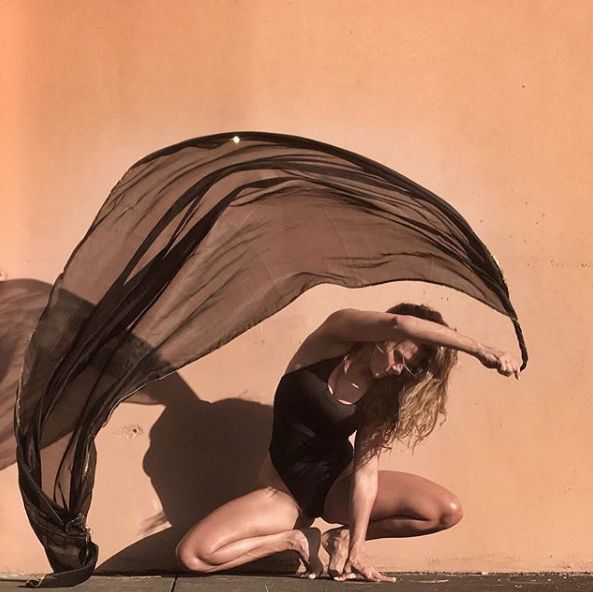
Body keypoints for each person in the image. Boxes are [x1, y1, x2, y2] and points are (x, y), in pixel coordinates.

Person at [175, 303, 521, 583]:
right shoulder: (331, 339)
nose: (398, 370)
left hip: (338, 484)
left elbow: (366, 472)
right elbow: (401, 322)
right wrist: (480, 349)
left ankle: (337, 539)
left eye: (407, 369)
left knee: (446, 511)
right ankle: (294, 539)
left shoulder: (382, 395)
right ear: (383, 337)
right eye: (400, 357)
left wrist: (356, 545)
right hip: (285, 493)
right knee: (191, 556)